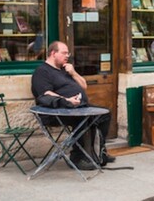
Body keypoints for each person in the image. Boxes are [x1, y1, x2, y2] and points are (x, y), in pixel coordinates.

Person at [31, 41, 115, 170]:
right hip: (57, 112)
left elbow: (84, 86)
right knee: (82, 119)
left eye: (68, 53)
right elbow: (45, 94)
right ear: (53, 53)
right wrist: (67, 100)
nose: (67, 56)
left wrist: (73, 72)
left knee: (104, 114)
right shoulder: (42, 71)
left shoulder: (65, 69)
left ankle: (99, 152)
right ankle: (77, 158)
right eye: (64, 53)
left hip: (77, 107)